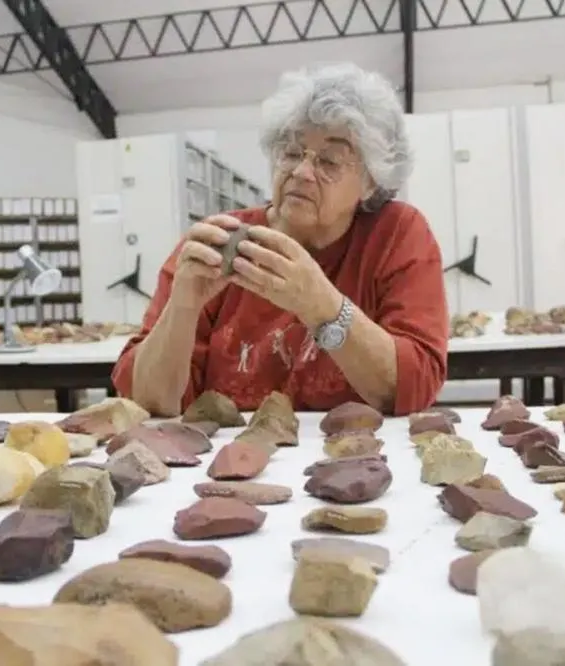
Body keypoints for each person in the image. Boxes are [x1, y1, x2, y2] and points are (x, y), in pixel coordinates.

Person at [111, 62, 449, 417]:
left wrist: (322, 306)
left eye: (329, 161)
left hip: (355, 449)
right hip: (230, 451)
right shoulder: (218, 244)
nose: (301, 172)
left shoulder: (397, 234)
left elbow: (414, 385)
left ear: (372, 183)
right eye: (291, 153)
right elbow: (148, 404)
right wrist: (182, 309)